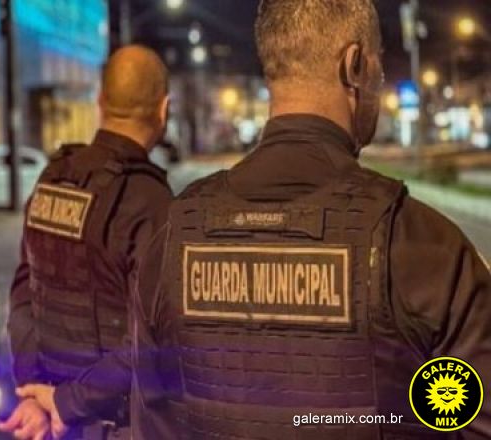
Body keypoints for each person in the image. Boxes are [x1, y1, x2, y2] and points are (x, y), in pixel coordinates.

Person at [131, 1, 491, 439]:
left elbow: (151, 422)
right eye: (378, 64)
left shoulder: (172, 237)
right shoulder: (425, 246)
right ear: (354, 65)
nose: (379, 79)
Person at [0, 45, 173, 439]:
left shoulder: (54, 177)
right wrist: (66, 403)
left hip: (54, 420)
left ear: (100, 101)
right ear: (164, 109)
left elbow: (24, 294)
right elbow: (150, 341)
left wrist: (35, 392)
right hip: (118, 425)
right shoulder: (151, 202)